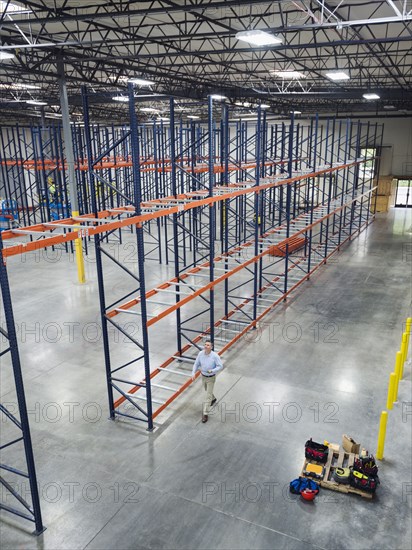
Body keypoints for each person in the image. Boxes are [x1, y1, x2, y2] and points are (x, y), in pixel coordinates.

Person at [192, 340, 223, 423]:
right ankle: (213, 399)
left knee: (207, 396)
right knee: (207, 390)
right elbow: (196, 364)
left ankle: (205, 414)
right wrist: (193, 372)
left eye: (208, 345)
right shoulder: (200, 354)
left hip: (211, 378)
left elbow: (220, 366)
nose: (206, 346)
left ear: (211, 347)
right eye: (205, 344)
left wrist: (212, 370)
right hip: (203, 376)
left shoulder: (215, 356)